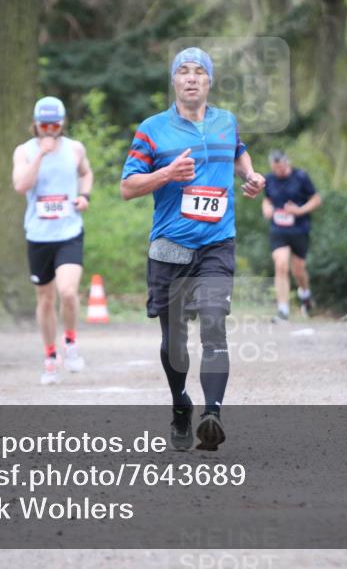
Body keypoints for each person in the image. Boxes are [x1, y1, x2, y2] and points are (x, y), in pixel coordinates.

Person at [121, 47, 265, 451]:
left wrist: (251, 176)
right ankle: (180, 405)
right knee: (174, 342)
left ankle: (212, 413)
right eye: (183, 71)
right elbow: (128, 187)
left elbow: (238, 152)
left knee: (215, 324)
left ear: (209, 81)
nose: (190, 78)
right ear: (173, 81)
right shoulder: (152, 129)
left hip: (217, 242)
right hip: (170, 247)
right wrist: (166, 173)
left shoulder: (226, 121)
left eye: (198, 72)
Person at [12, 96, 93, 385]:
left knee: (68, 291)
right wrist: (40, 156)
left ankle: (70, 343)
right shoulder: (24, 152)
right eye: (44, 125)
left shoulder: (75, 148)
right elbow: (21, 186)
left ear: (62, 123)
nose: (49, 130)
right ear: (35, 124)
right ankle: (49, 356)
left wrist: (84, 196)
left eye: (55, 125)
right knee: (45, 300)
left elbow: (86, 173)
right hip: (38, 235)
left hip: (69, 232)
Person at [262, 150, 321, 322]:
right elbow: (267, 199)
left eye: (280, 167)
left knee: (298, 269)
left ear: (287, 163)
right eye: (275, 168)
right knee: (280, 264)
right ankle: (283, 310)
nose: (278, 171)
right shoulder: (270, 179)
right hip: (278, 230)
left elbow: (316, 199)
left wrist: (300, 210)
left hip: (299, 229)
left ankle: (305, 294)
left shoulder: (301, 177)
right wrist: (266, 207)